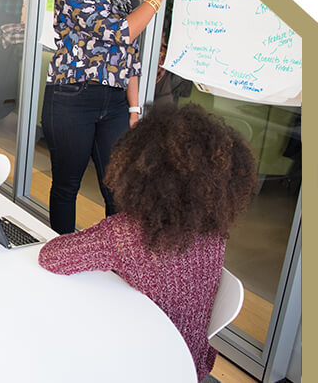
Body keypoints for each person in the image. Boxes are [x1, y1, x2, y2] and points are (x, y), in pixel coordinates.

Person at [38, 103, 256, 381]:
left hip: (139, 367)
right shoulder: (213, 232)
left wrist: (100, 232)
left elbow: (51, 257)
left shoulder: (125, 233)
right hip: (191, 364)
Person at [42, 0, 183, 234]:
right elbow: (121, 32)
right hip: (71, 99)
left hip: (116, 101)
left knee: (118, 189)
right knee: (67, 185)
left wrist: (133, 107)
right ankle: (61, 254)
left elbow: (128, 53)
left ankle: (117, 261)